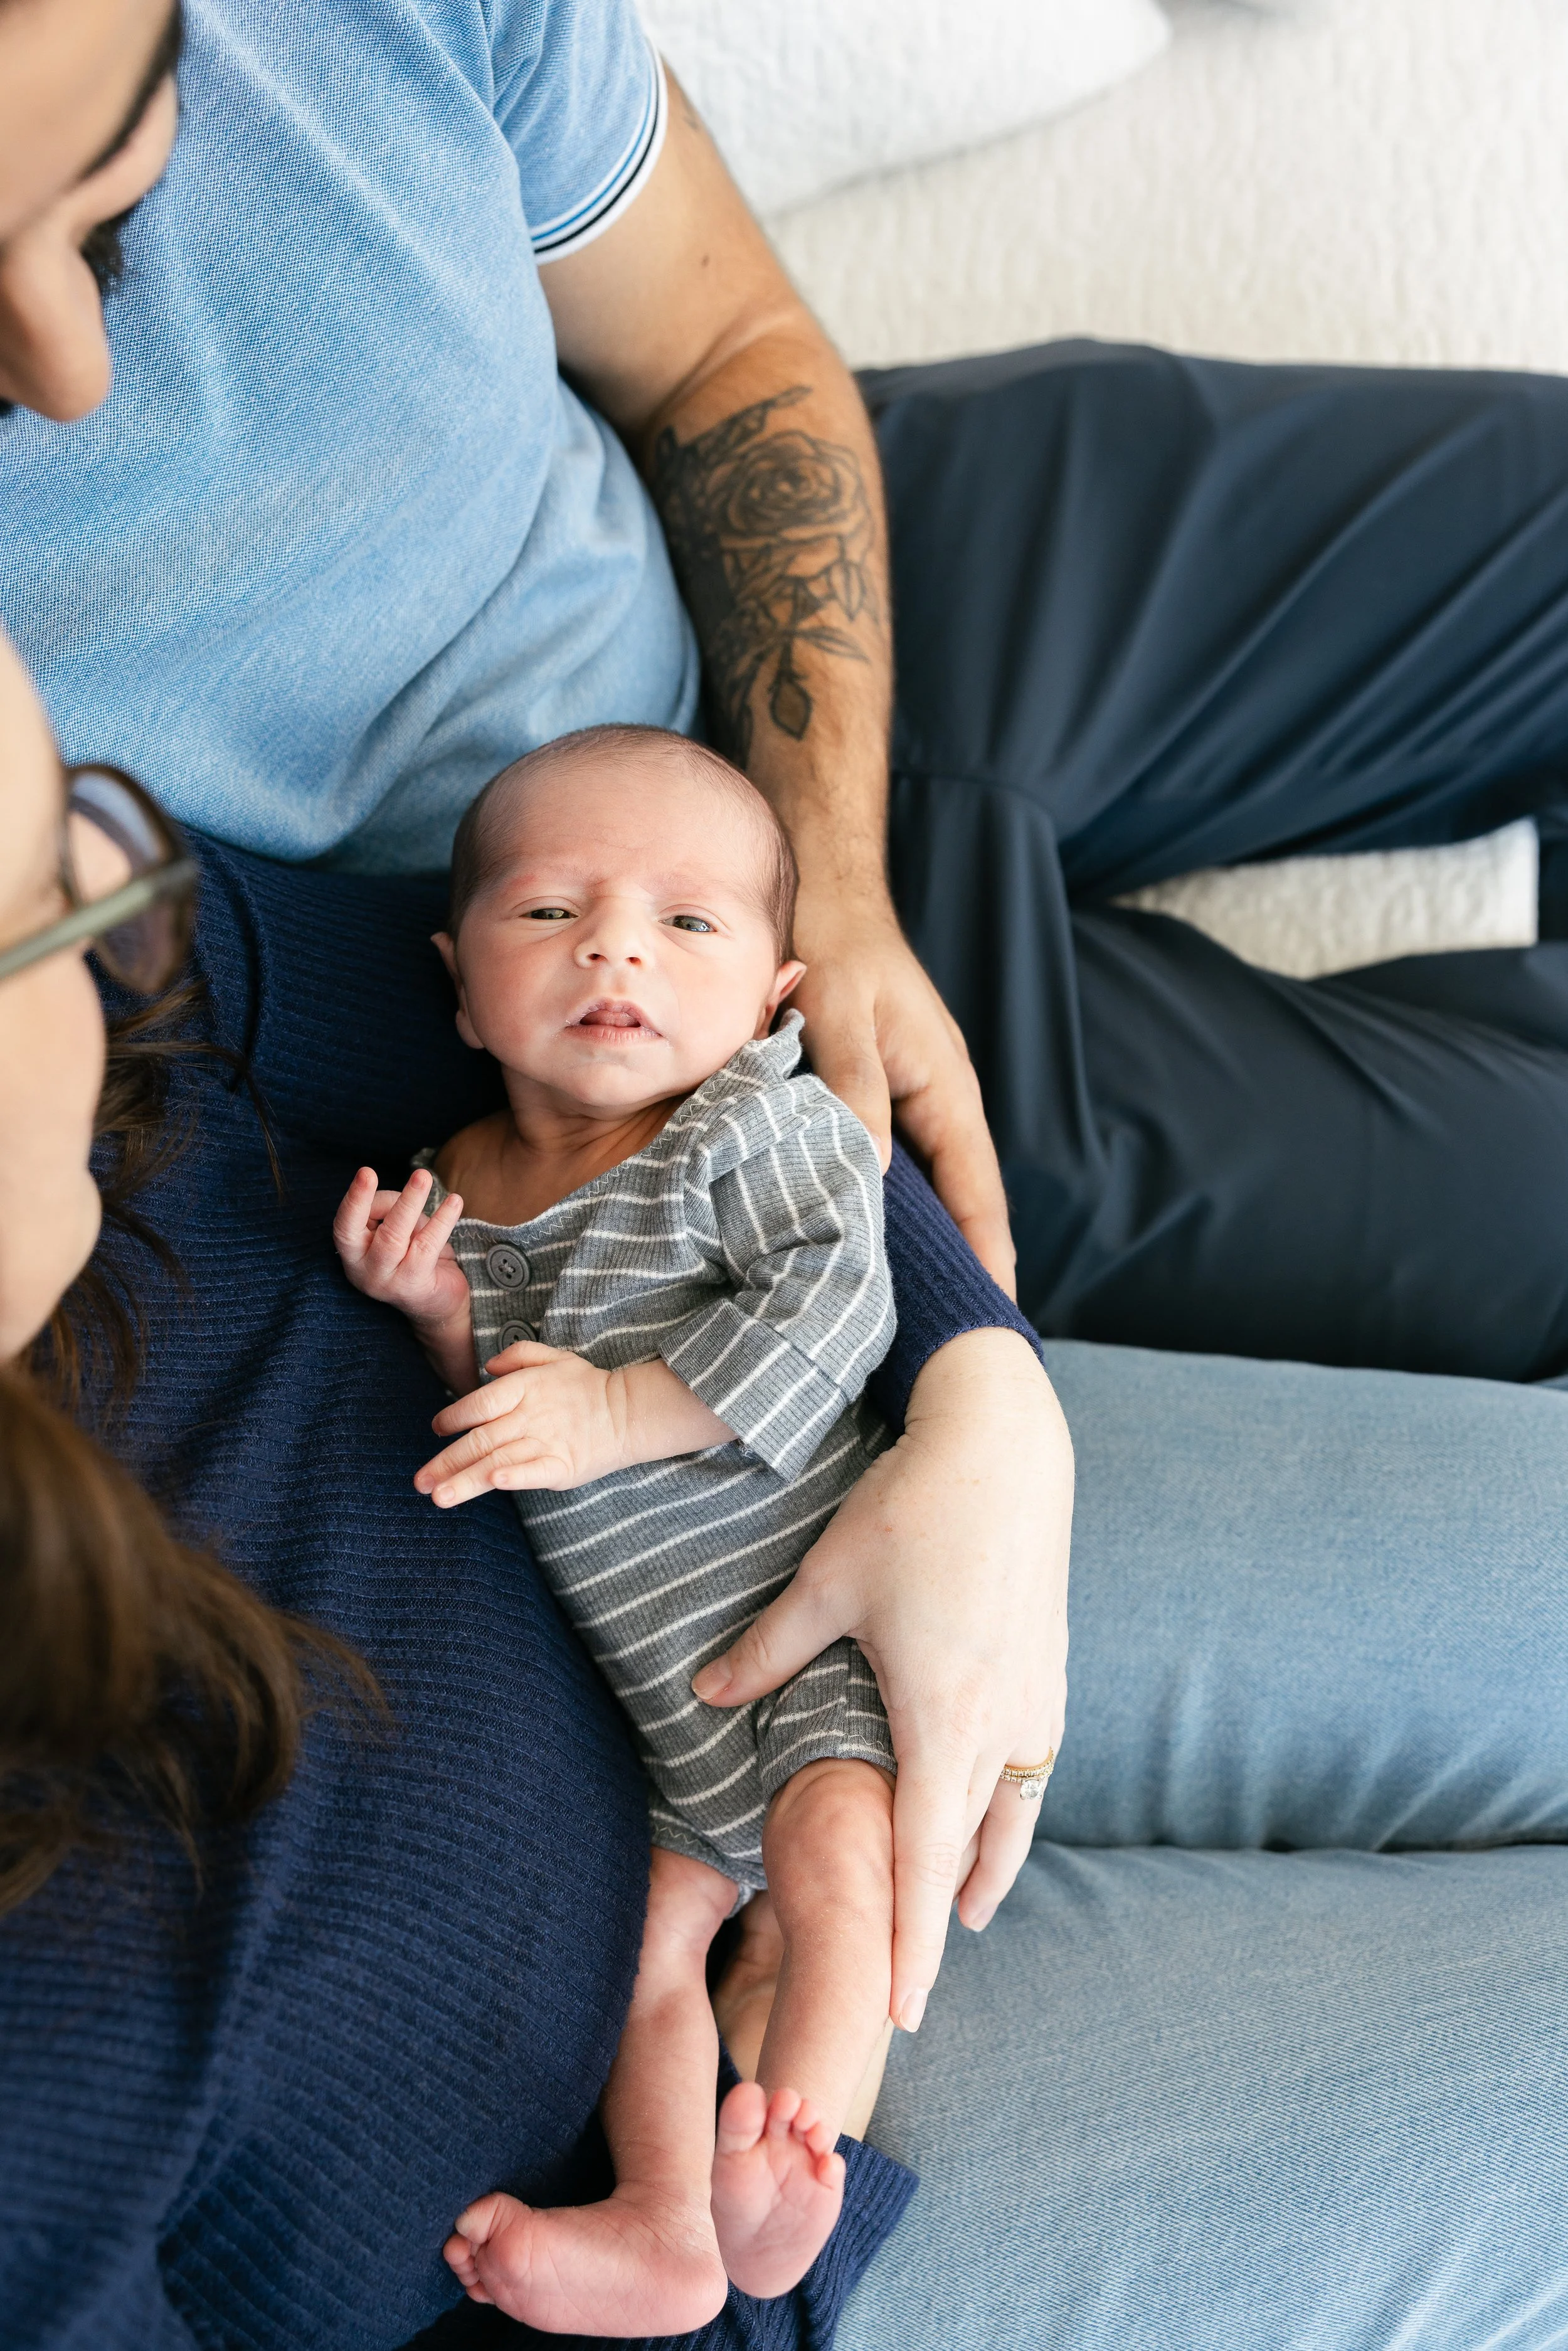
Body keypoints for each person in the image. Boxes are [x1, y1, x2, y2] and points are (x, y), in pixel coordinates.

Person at [337, 728, 1054, 2327]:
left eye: (685, 923)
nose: (612, 947)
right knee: (642, 1960)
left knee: (836, 1861)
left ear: (774, 995)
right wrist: (432, 1309)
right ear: (459, 987)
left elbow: (838, 1306)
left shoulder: (751, 1124)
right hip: (652, 1723)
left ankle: (800, 2133)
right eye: (547, 916)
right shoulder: (462, 1177)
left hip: (816, 1622)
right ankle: (664, 2220)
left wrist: (614, 1410)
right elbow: (502, 1414)